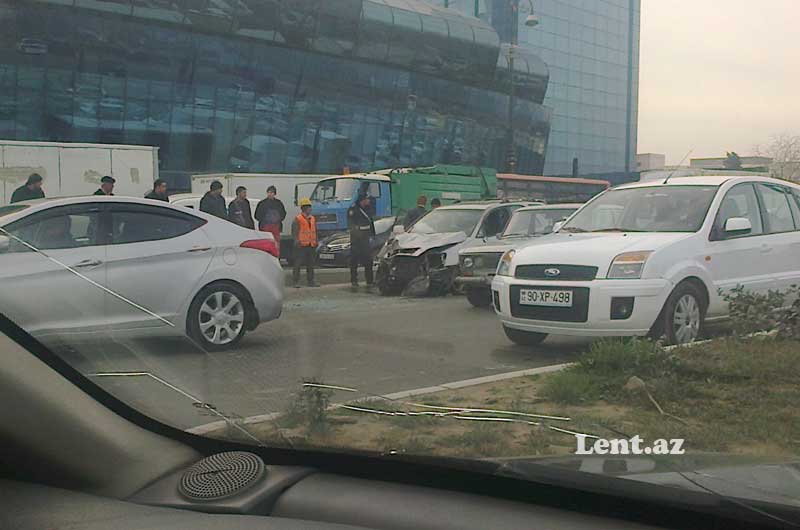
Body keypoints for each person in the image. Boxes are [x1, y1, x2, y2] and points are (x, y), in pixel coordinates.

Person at [348, 193, 375, 289]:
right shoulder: (353, 210)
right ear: (362, 200)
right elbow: (351, 225)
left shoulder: (368, 209)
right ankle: (354, 281)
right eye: (367, 199)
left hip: (365, 239)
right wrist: (357, 233)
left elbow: (371, 223)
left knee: (368, 260)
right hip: (356, 240)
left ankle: (370, 281)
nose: (369, 201)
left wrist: (372, 236)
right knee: (354, 261)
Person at [291, 198, 318, 288]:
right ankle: (295, 282)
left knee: (310, 264)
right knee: (298, 264)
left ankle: (311, 281)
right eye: (308, 207)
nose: (310, 209)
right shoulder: (298, 219)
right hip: (301, 245)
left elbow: (314, 231)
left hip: (311, 245)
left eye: (310, 207)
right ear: (304, 208)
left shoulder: (313, 218)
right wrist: (296, 241)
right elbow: (294, 232)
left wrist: (316, 241)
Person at [254, 185, 287, 257]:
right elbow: (256, 215)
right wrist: (264, 221)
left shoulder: (279, 203)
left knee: (276, 245)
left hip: (276, 227)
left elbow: (283, 214)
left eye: (272, 192)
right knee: (265, 244)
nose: (270, 194)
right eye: (269, 192)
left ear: (275, 193)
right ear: (267, 193)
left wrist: (277, 220)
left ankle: (276, 257)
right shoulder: (262, 203)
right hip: (265, 227)